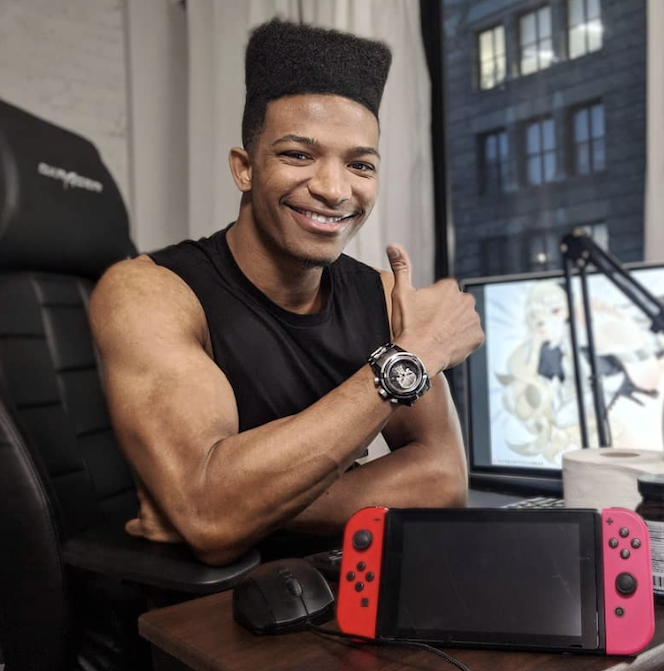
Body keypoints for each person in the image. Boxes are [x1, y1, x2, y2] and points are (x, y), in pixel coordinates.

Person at [90, 19, 484, 566]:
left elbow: (443, 482)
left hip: (341, 587)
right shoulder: (150, 292)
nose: (333, 189)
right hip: (208, 607)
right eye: (299, 155)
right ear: (245, 169)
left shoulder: (378, 294)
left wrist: (241, 506)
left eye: (360, 164)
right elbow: (210, 516)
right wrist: (412, 357)